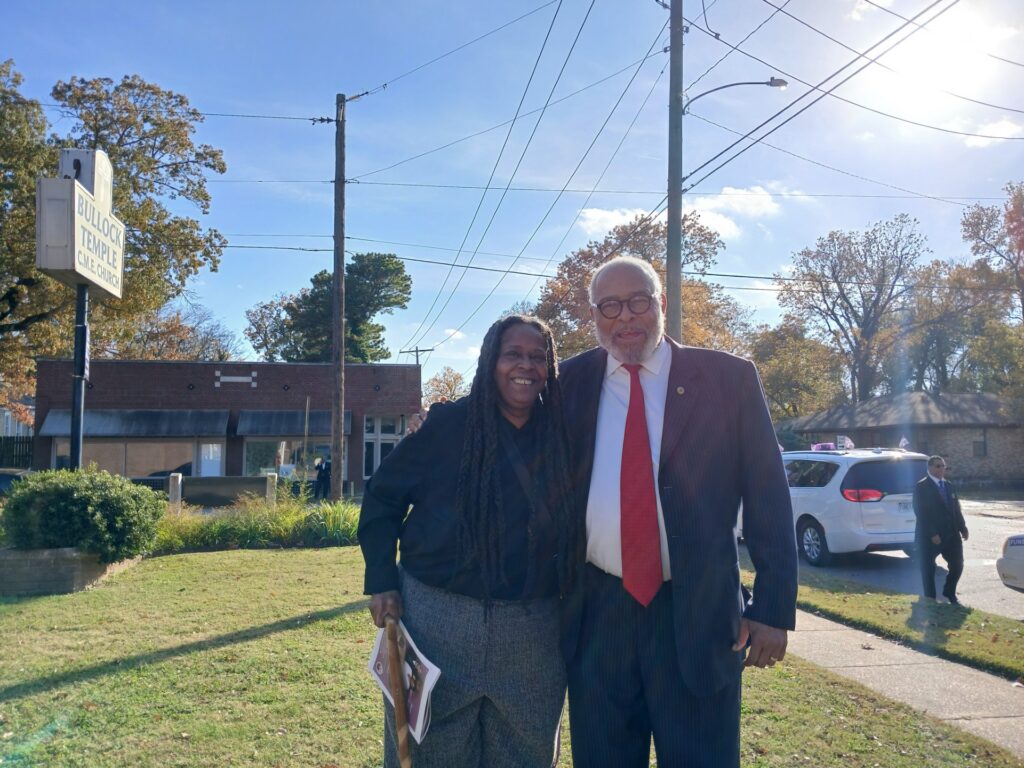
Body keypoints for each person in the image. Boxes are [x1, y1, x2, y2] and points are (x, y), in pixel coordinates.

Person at [557, 256, 798, 768]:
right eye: (610, 306)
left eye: (639, 301)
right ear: (594, 315)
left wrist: (773, 610)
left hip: (697, 615)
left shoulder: (728, 379)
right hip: (598, 612)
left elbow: (768, 498)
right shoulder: (567, 383)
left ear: (662, 304)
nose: (626, 318)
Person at [358, 314, 579, 768]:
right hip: (437, 621)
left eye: (538, 357)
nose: (526, 365)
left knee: (526, 755)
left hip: (532, 630)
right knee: (430, 754)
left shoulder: (562, 434)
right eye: (513, 354)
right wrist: (382, 579)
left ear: (550, 367)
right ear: (489, 361)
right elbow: (382, 498)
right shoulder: (446, 426)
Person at [913, 455, 969, 604]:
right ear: (930, 468)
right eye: (938, 466)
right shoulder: (921, 486)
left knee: (957, 564)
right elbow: (921, 511)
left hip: (951, 533)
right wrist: (932, 533)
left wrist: (963, 527)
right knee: (928, 567)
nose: (941, 469)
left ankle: (949, 592)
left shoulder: (949, 486)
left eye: (943, 466)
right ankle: (930, 597)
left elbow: (956, 509)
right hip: (931, 535)